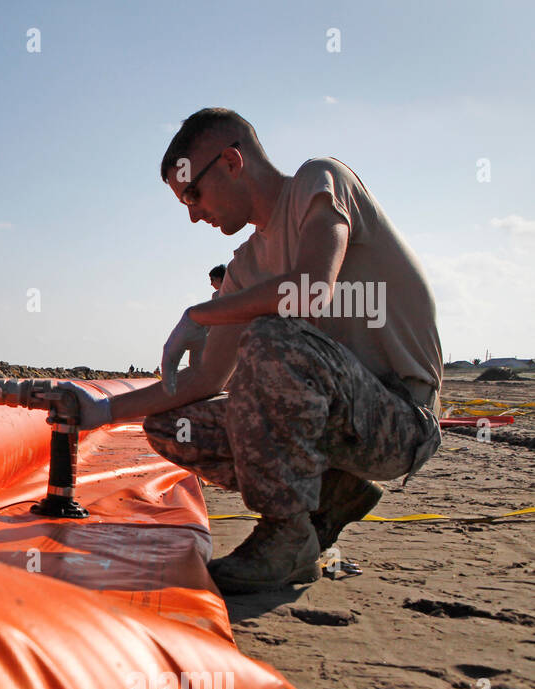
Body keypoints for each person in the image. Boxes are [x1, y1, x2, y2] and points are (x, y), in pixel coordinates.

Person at [54, 108, 443, 593]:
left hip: (401, 421)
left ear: (233, 162)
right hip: (339, 424)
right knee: (175, 424)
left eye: (193, 193)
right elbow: (201, 382)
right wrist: (105, 410)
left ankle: (286, 537)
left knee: (270, 335)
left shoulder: (319, 182)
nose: (194, 213)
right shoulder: (244, 268)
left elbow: (309, 289)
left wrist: (201, 314)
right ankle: (332, 491)